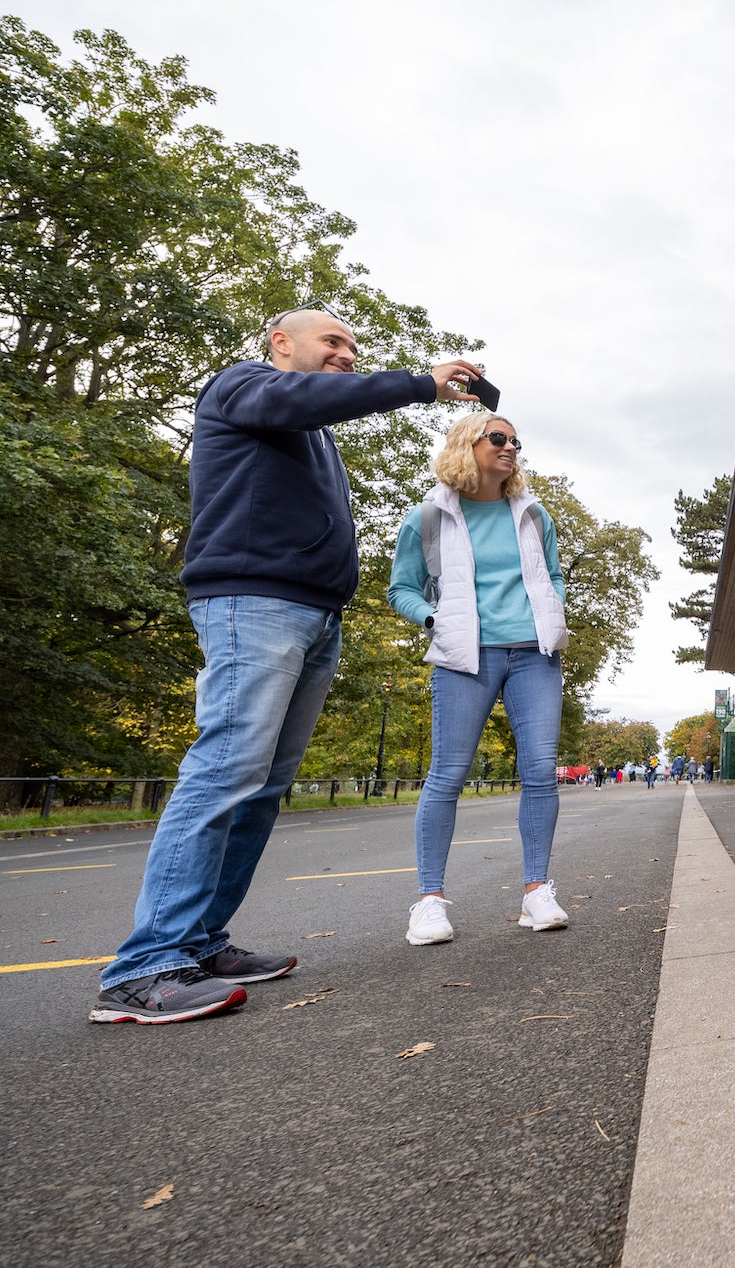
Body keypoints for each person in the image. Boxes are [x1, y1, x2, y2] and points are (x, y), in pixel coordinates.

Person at [91, 306, 481, 1024]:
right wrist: (420, 384)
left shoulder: (306, 428)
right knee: (226, 770)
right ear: (281, 345)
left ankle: (201, 943)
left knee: (263, 785)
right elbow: (303, 397)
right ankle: (143, 968)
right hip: (253, 602)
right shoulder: (243, 386)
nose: (346, 353)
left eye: (352, 346)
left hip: (310, 613)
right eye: (332, 341)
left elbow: (313, 414)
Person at [390, 413, 571, 947]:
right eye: (499, 438)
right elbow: (402, 588)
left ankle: (537, 891)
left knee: (540, 770)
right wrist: (433, 620)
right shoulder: (429, 516)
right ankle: (428, 902)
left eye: (516, 440)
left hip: (534, 655)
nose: (510, 446)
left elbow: (552, 575)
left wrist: (555, 613)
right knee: (448, 773)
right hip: (464, 656)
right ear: (466, 444)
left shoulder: (535, 514)